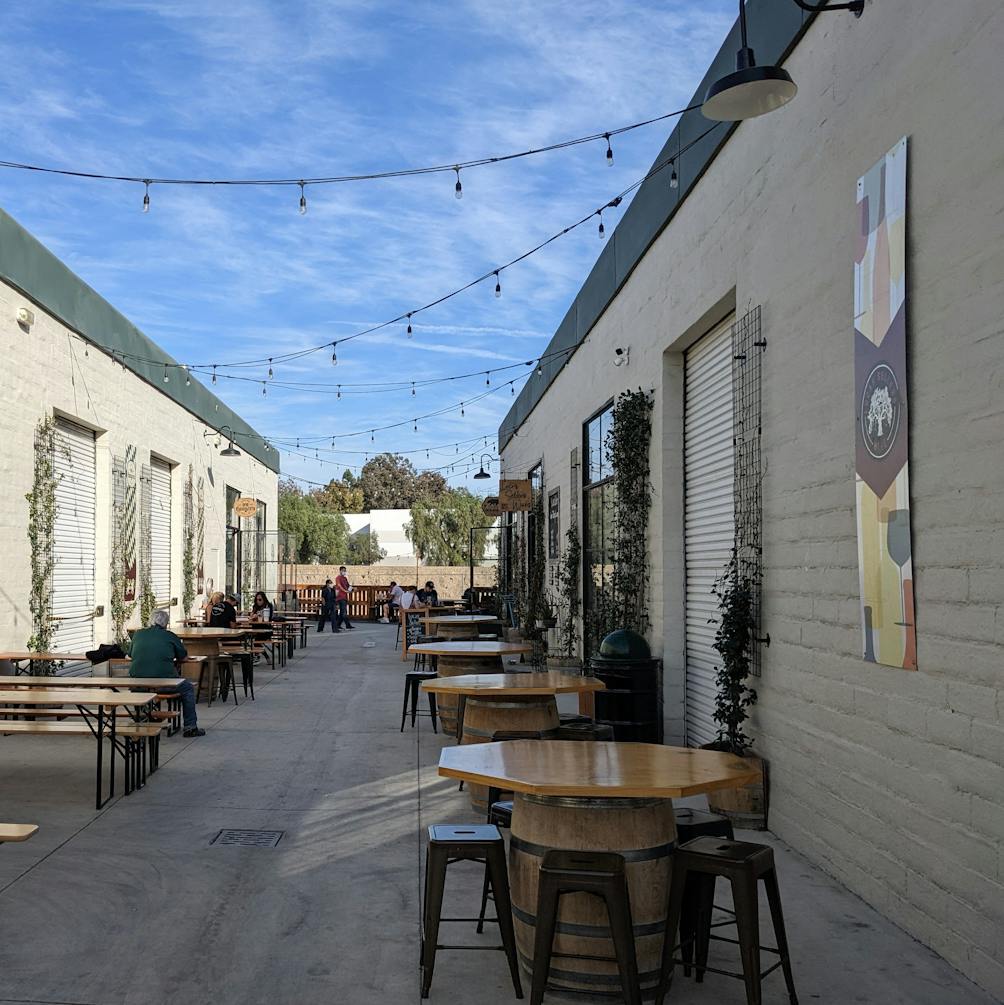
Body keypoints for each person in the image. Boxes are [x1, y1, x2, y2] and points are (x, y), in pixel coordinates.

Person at [128, 609, 204, 737]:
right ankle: (190, 727)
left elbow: (129, 655)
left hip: (137, 683)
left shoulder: (138, 634)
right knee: (188, 688)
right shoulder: (170, 636)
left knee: (144, 691)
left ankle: (142, 717)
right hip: (165, 682)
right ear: (166, 623)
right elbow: (183, 658)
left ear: (150, 621)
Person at [334, 566, 355, 630]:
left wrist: (352, 589)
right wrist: (345, 591)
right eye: (343, 570)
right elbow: (339, 586)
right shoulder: (338, 578)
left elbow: (348, 586)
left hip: (345, 596)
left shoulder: (345, 578)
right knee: (344, 612)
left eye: (345, 570)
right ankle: (347, 625)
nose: (344, 572)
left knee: (342, 612)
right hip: (340, 596)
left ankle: (338, 625)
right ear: (340, 571)